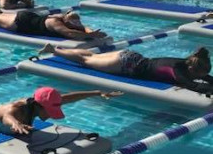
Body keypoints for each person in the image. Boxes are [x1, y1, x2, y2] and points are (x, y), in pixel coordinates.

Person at [38, 45, 213, 93]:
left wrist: (208, 79)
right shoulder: (179, 71)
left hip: (131, 56)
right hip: (124, 65)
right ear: (193, 68)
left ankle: (55, 49)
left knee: (90, 56)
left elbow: (204, 79)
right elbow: (193, 86)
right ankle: (54, 51)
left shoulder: (184, 62)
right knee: (86, 61)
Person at [0, 6, 109, 41]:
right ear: (66, 20)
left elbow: (81, 27)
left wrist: (90, 32)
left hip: (30, 16)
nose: (76, 24)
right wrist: (93, 36)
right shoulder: (56, 22)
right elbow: (70, 33)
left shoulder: (65, 18)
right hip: (21, 22)